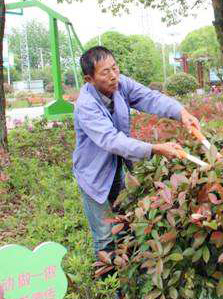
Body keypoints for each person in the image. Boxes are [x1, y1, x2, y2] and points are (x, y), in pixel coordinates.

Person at [73, 46, 201, 260]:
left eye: (115, 68)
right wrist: (155, 149)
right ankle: (108, 285)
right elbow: (112, 140)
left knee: (124, 225)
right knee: (105, 237)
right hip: (93, 175)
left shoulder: (121, 85)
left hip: (117, 169)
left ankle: (126, 274)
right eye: (105, 72)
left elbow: (151, 98)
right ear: (89, 79)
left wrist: (182, 113)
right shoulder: (86, 105)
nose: (113, 76)